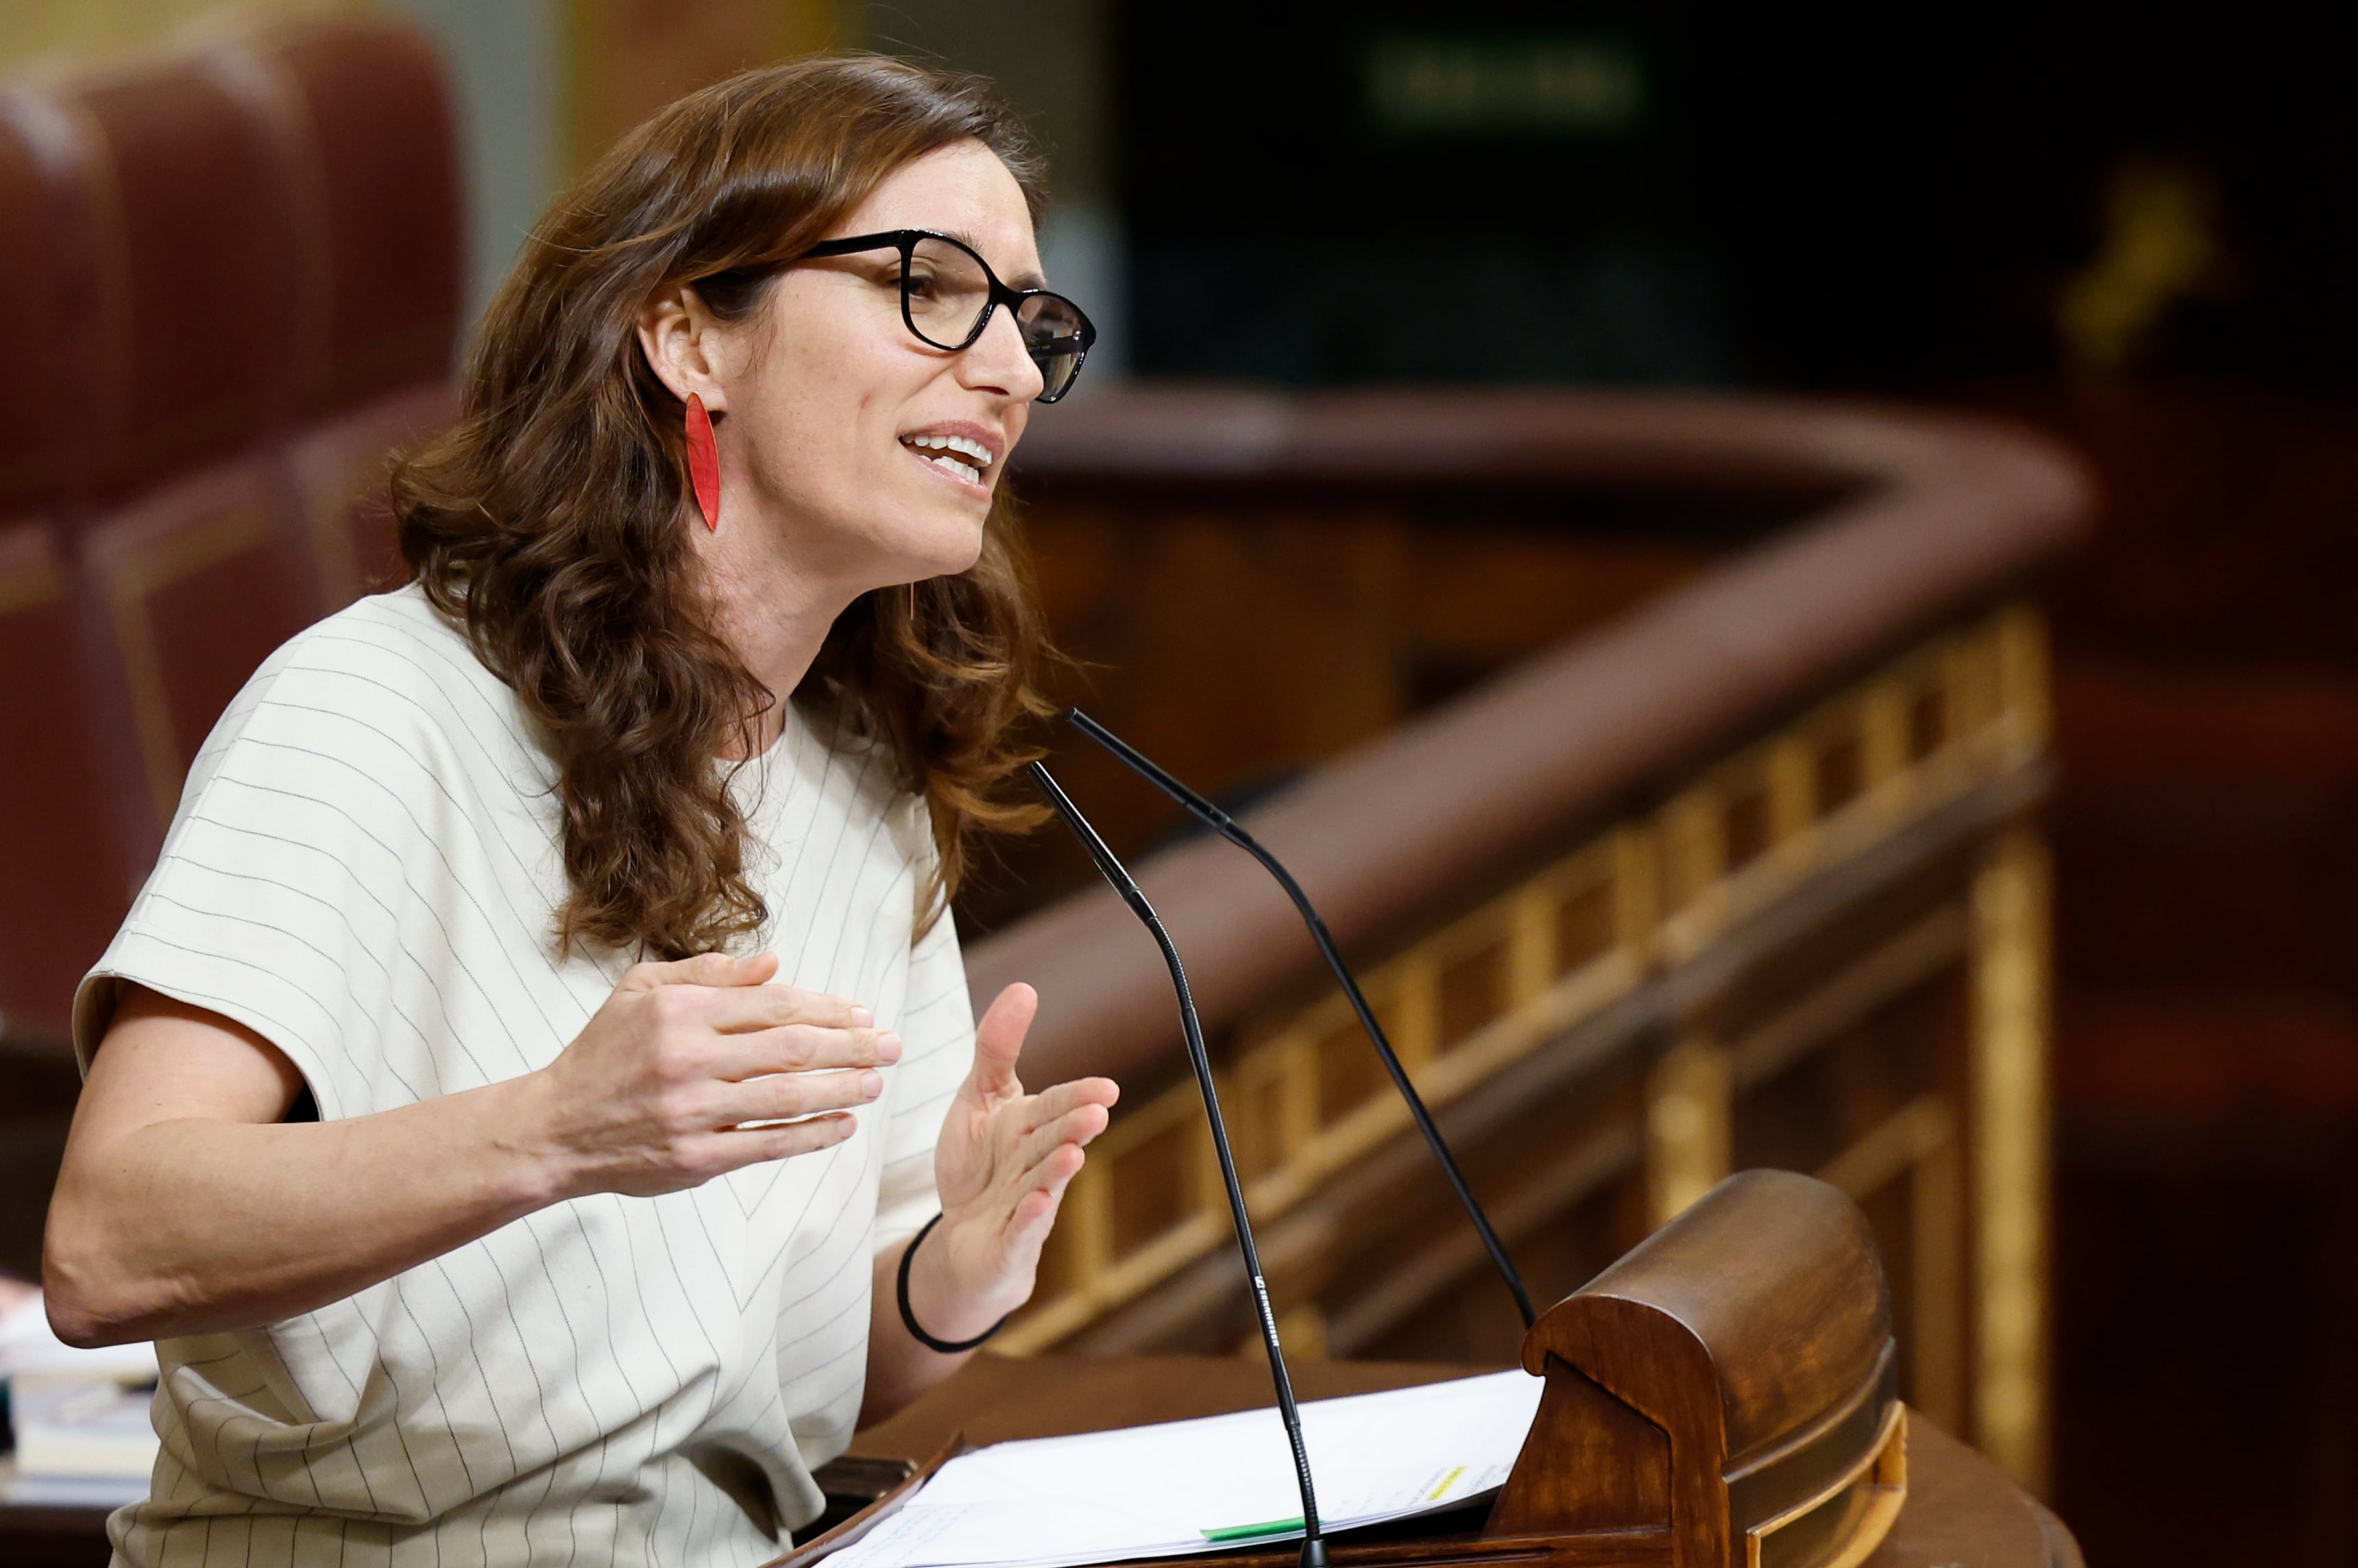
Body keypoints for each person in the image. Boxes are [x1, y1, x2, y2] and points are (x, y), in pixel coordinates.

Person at [40, 53, 1117, 1567]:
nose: (1006, 370)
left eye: (1029, 320)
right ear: (688, 334)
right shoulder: (372, 709)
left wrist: (953, 1271)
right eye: (932, 289)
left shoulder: (860, 789)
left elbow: (776, 1399)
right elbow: (105, 1242)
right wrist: (551, 1130)